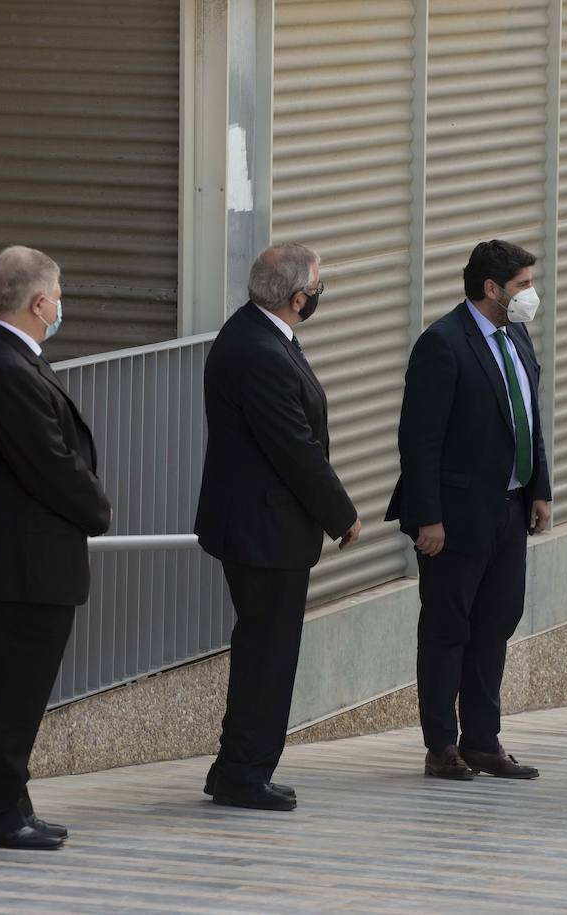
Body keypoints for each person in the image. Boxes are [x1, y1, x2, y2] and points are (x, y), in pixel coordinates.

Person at [0, 246, 111, 849]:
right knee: (6, 700)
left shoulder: (3, 355)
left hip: (17, 567)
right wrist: (98, 509)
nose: (61, 304)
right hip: (14, 571)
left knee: (11, 699)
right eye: (58, 294)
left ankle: (9, 803)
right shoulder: (7, 368)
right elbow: (52, 466)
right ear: (40, 303)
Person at [195, 243, 361, 811]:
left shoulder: (253, 332)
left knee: (259, 649)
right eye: (315, 288)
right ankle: (244, 773)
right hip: (264, 533)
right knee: (269, 655)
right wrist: (341, 513)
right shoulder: (261, 351)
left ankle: (233, 765)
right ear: (297, 298)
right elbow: (295, 448)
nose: (316, 296)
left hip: (257, 528)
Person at [385, 239, 552, 782]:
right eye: (523, 285)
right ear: (491, 288)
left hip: (511, 508)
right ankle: (442, 746)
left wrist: (540, 490)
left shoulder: (517, 335)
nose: (531, 295)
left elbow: (530, 418)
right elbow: (419, 441)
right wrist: (427, 516)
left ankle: (484, 740)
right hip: (455, 519)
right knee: (447, 630)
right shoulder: (442, 344)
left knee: (496, 623)